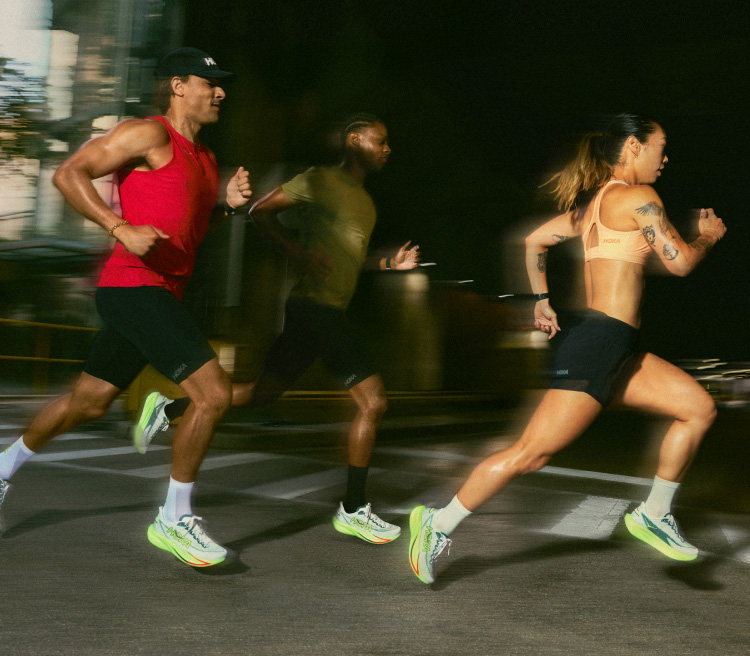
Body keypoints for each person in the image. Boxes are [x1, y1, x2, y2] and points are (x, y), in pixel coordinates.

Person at [408, 113, 726, 584]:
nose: (665, 157)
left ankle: (655, 514)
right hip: (598, 343)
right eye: (661, 145)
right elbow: (678, 264)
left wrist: (541, 300)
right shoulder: (638, 197)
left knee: (697, 408)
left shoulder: (594, 204)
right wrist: (708, 237)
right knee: (531, 454)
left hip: (616, 346)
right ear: (634, 147)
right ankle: (436, 523)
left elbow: (535, 240)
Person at [0, 47, 253, 566]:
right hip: (134, 286)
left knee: (88, 403)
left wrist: (225, 203)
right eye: (211, 82)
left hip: (158, 293)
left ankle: (2, 469)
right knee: (213, 395)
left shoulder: (204, 159)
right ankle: (173, 517)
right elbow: (68, 173)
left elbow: (186, 228)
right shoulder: (149, 134)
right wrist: (119, 228)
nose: (221, 91)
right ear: (179, 85)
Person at [134, 113, 420, 544]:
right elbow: (260, 211)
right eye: (381, 141)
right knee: (373, 402)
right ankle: (354, 509)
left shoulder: (366, 202)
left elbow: (349, 261)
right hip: (314, 310)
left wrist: (387, 263)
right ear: (355, 140)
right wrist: (298, 253)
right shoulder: (321, 180)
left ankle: (170, 408)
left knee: (263, 393)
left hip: (325, 311)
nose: (387, 149)